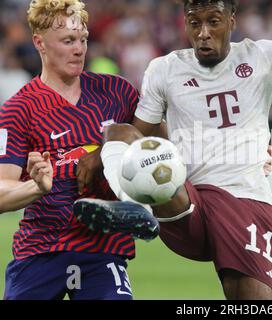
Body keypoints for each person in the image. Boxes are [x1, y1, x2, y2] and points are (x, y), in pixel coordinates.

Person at [74, 0, 272, 300]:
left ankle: (140, 207)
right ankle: (134, 208)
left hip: (245, 200)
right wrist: (98, 156)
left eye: (214, 21)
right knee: (118, 132)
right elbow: (138, 134)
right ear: (185, 24)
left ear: (232, 21)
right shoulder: (164, 69)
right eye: (195, 23)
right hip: (188, 202)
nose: (204, 33)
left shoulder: (263, 56)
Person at [0, 0, 158, 300]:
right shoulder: (18, 109)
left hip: (103, 251)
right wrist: (36, 187)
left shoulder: (118, 92)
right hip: (40, 250)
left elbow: (161, 146)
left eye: (84, 39)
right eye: (68, 41)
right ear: (39, 42)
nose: (79, 49)